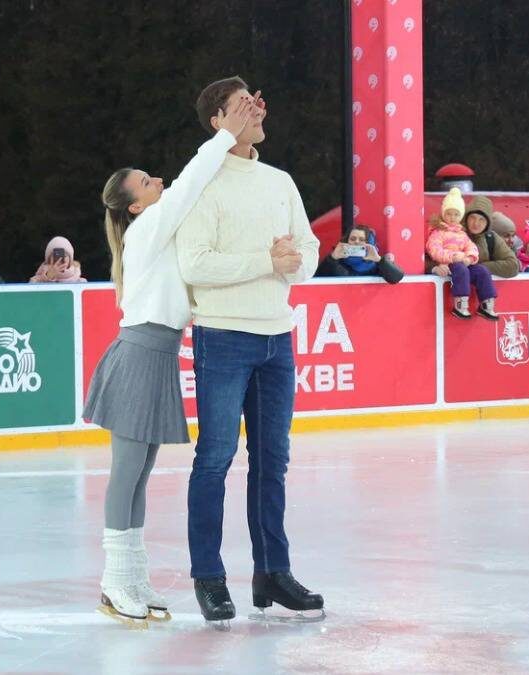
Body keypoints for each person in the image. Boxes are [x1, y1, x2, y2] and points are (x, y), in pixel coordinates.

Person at [84, 94, 256, 626]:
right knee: (127, 473)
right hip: (139, 356)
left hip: (155, 357)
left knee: (139, 475)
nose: (157, 180)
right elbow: (189, 184)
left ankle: (133, 578)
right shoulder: (147, 228)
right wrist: (225, 135)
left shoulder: (155, 232)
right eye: (146, 181)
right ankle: (116, 582)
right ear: (135, 204)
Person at [175, 76, 324, 625]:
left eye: (258, 101)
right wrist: (268, 260)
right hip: (223, 336)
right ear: (218, 120)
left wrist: (295, 262)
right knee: (213, 459)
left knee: (272, 462)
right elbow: (195, 265)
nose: (257, 109)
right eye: (242, 105)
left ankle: (272, 571)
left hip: (276, 337)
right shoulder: (203, 185)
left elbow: (307, 248)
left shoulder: (279, 181)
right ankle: (209, 576)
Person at [426, 188, 494, 319]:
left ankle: (487, 303)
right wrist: (452, 257)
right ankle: (461, 303)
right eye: (449, 214)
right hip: (449, 264)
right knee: (461, 269)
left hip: (462, 263)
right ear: (443, 214)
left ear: (460, 216)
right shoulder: (438, 232)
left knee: (481, 270)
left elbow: (471, 247)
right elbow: (434, 249)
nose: (452, 218)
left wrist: (469, 258)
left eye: (456, 214)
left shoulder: (462, 233)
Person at [316, 224, 404, 283]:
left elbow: (396, 278)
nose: (357, 242)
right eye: (353, 239)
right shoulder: (337, 261)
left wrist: (379, 260)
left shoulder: (377, 265)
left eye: (362, 240)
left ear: (370, 243)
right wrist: (332, 258)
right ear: (346, 241)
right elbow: (316, 280)